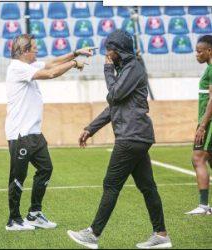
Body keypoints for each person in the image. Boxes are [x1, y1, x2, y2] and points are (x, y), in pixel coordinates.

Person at [67, 30, 172, 249]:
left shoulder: (132, 68)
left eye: (109, 49)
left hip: (131, 136)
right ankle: (161, 235)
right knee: (147, 186)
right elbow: (114, 106)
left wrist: (107, 68)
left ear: (119, 50)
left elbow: (114, 94)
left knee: (111, 184)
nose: (107, 53)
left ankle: (93, 234)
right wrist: (90, 128)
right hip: (136, 136)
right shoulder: (126, 69)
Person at [5, 34, 93, 231]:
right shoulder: (17, 68)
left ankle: (34, 213)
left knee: (46, 169)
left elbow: (52, 63)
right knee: (18, 177)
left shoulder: (27, 66)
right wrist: (74, 64)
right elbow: (51, 73)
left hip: (34, 133)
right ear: (24, 51)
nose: (37, 51)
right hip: (21, 134)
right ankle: (13, 219)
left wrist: (75, 53)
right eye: (34, 48)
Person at [186, 35, 212, 215]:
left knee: (198, 158)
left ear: (209, 51)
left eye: (199, 51)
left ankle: (203, 206)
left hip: (208, 122)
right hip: (206, 120)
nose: (196, 54)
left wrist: (202, 125)